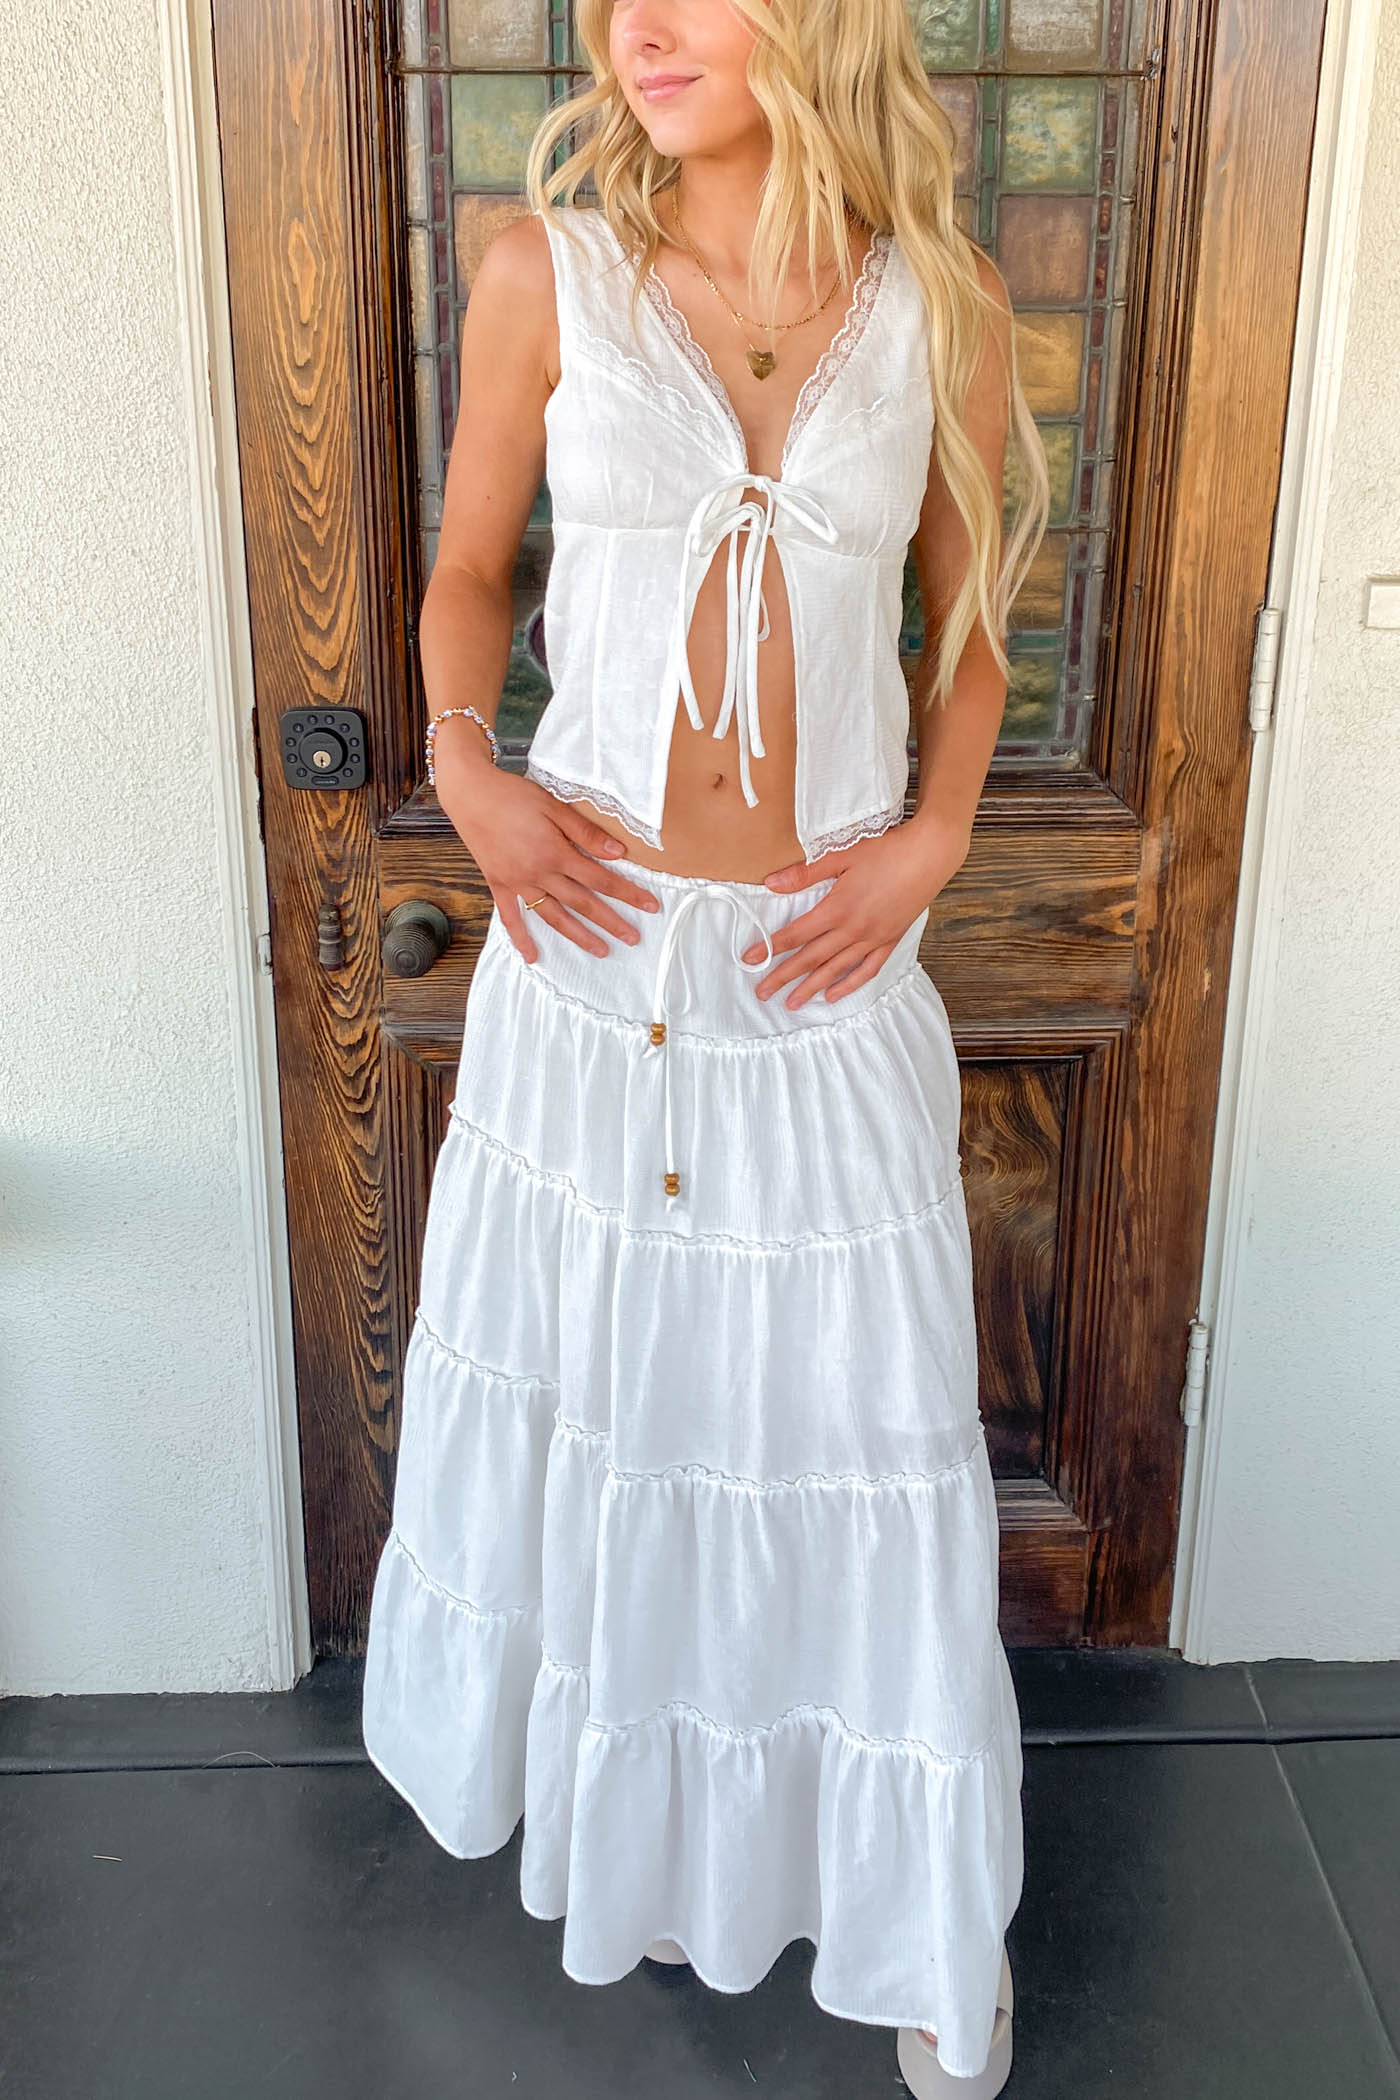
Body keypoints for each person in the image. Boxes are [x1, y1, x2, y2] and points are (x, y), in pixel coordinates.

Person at [362, 1, 1049, 2093]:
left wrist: (934, 838)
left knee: (860, 1449)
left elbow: (971, 618)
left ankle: (927, 1926)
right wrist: (469, 773)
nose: (633, 25)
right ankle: (646, 1854)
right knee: (626, 1427)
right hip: (593, 965)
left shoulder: (942, 304)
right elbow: (474, 571)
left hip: (824, 972)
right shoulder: (540, 271)